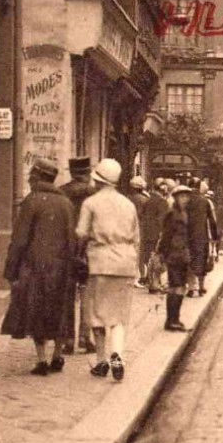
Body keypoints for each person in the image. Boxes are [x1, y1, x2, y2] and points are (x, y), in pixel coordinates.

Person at [1, 158, 76, 375]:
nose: (29, 179)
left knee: (37, 311)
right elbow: (73, 238)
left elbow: (20, 240)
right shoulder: (66, 203)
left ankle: (42, 360)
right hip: (62, 267)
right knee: (60, 309)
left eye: (31, 175)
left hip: (35, 267)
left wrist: (11, 269)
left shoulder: (31, 201)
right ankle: (58, 356)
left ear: (37, 177)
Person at [76, 158, 139, 381]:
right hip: (125, 264)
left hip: (99, 263)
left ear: (98, 180)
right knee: (119, 316)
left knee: (97, 314)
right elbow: (136, 237)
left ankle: (102, 361)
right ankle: (117, 355)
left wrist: (79, 255)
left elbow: (82, 233)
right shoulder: (128, 204)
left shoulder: (90, 203)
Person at [60, 155, 97, 354]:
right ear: (87, 173)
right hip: (89, 250)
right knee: (87, 294)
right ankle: (85, 337)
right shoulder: (93, 193)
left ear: (72, 172)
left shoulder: (62, 192)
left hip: (66, 250)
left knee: (67, 295)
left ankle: (67, 340)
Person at [157, 184, 192, 330]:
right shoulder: (173, 214)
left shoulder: (186, 214)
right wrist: (162, 254)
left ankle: (173, 319)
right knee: (176, 287)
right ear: (176, 198)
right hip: (174, 254)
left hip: (183, 254)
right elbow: (166, 235)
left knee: (179, 287)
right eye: (181, 196)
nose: (184, 199)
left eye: (186, 196)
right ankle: (172, 320)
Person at [186, 179, 213, 297]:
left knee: (189, 260)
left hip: (187, 235)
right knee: (202, 260)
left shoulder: (185, 200)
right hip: (202, 236)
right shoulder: (205, 201)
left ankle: (191, 288)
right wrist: (213, 237)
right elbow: (211, 220)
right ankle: (201, 287)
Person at [141, 180, 169, 292]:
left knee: (149, 257)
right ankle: (155, 283)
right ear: (162, 190)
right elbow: (163, 220)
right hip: (157, 234)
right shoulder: (162, 202)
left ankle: (152, 282)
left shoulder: (148, 201)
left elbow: (143, 216)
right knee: (158, 259)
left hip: (147, 233)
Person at [127, 175, 151, 288]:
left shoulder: (126, 198)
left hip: (126, 228)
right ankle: (138, 277)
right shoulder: (145, 199)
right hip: (140, 228)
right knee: (139, 254)